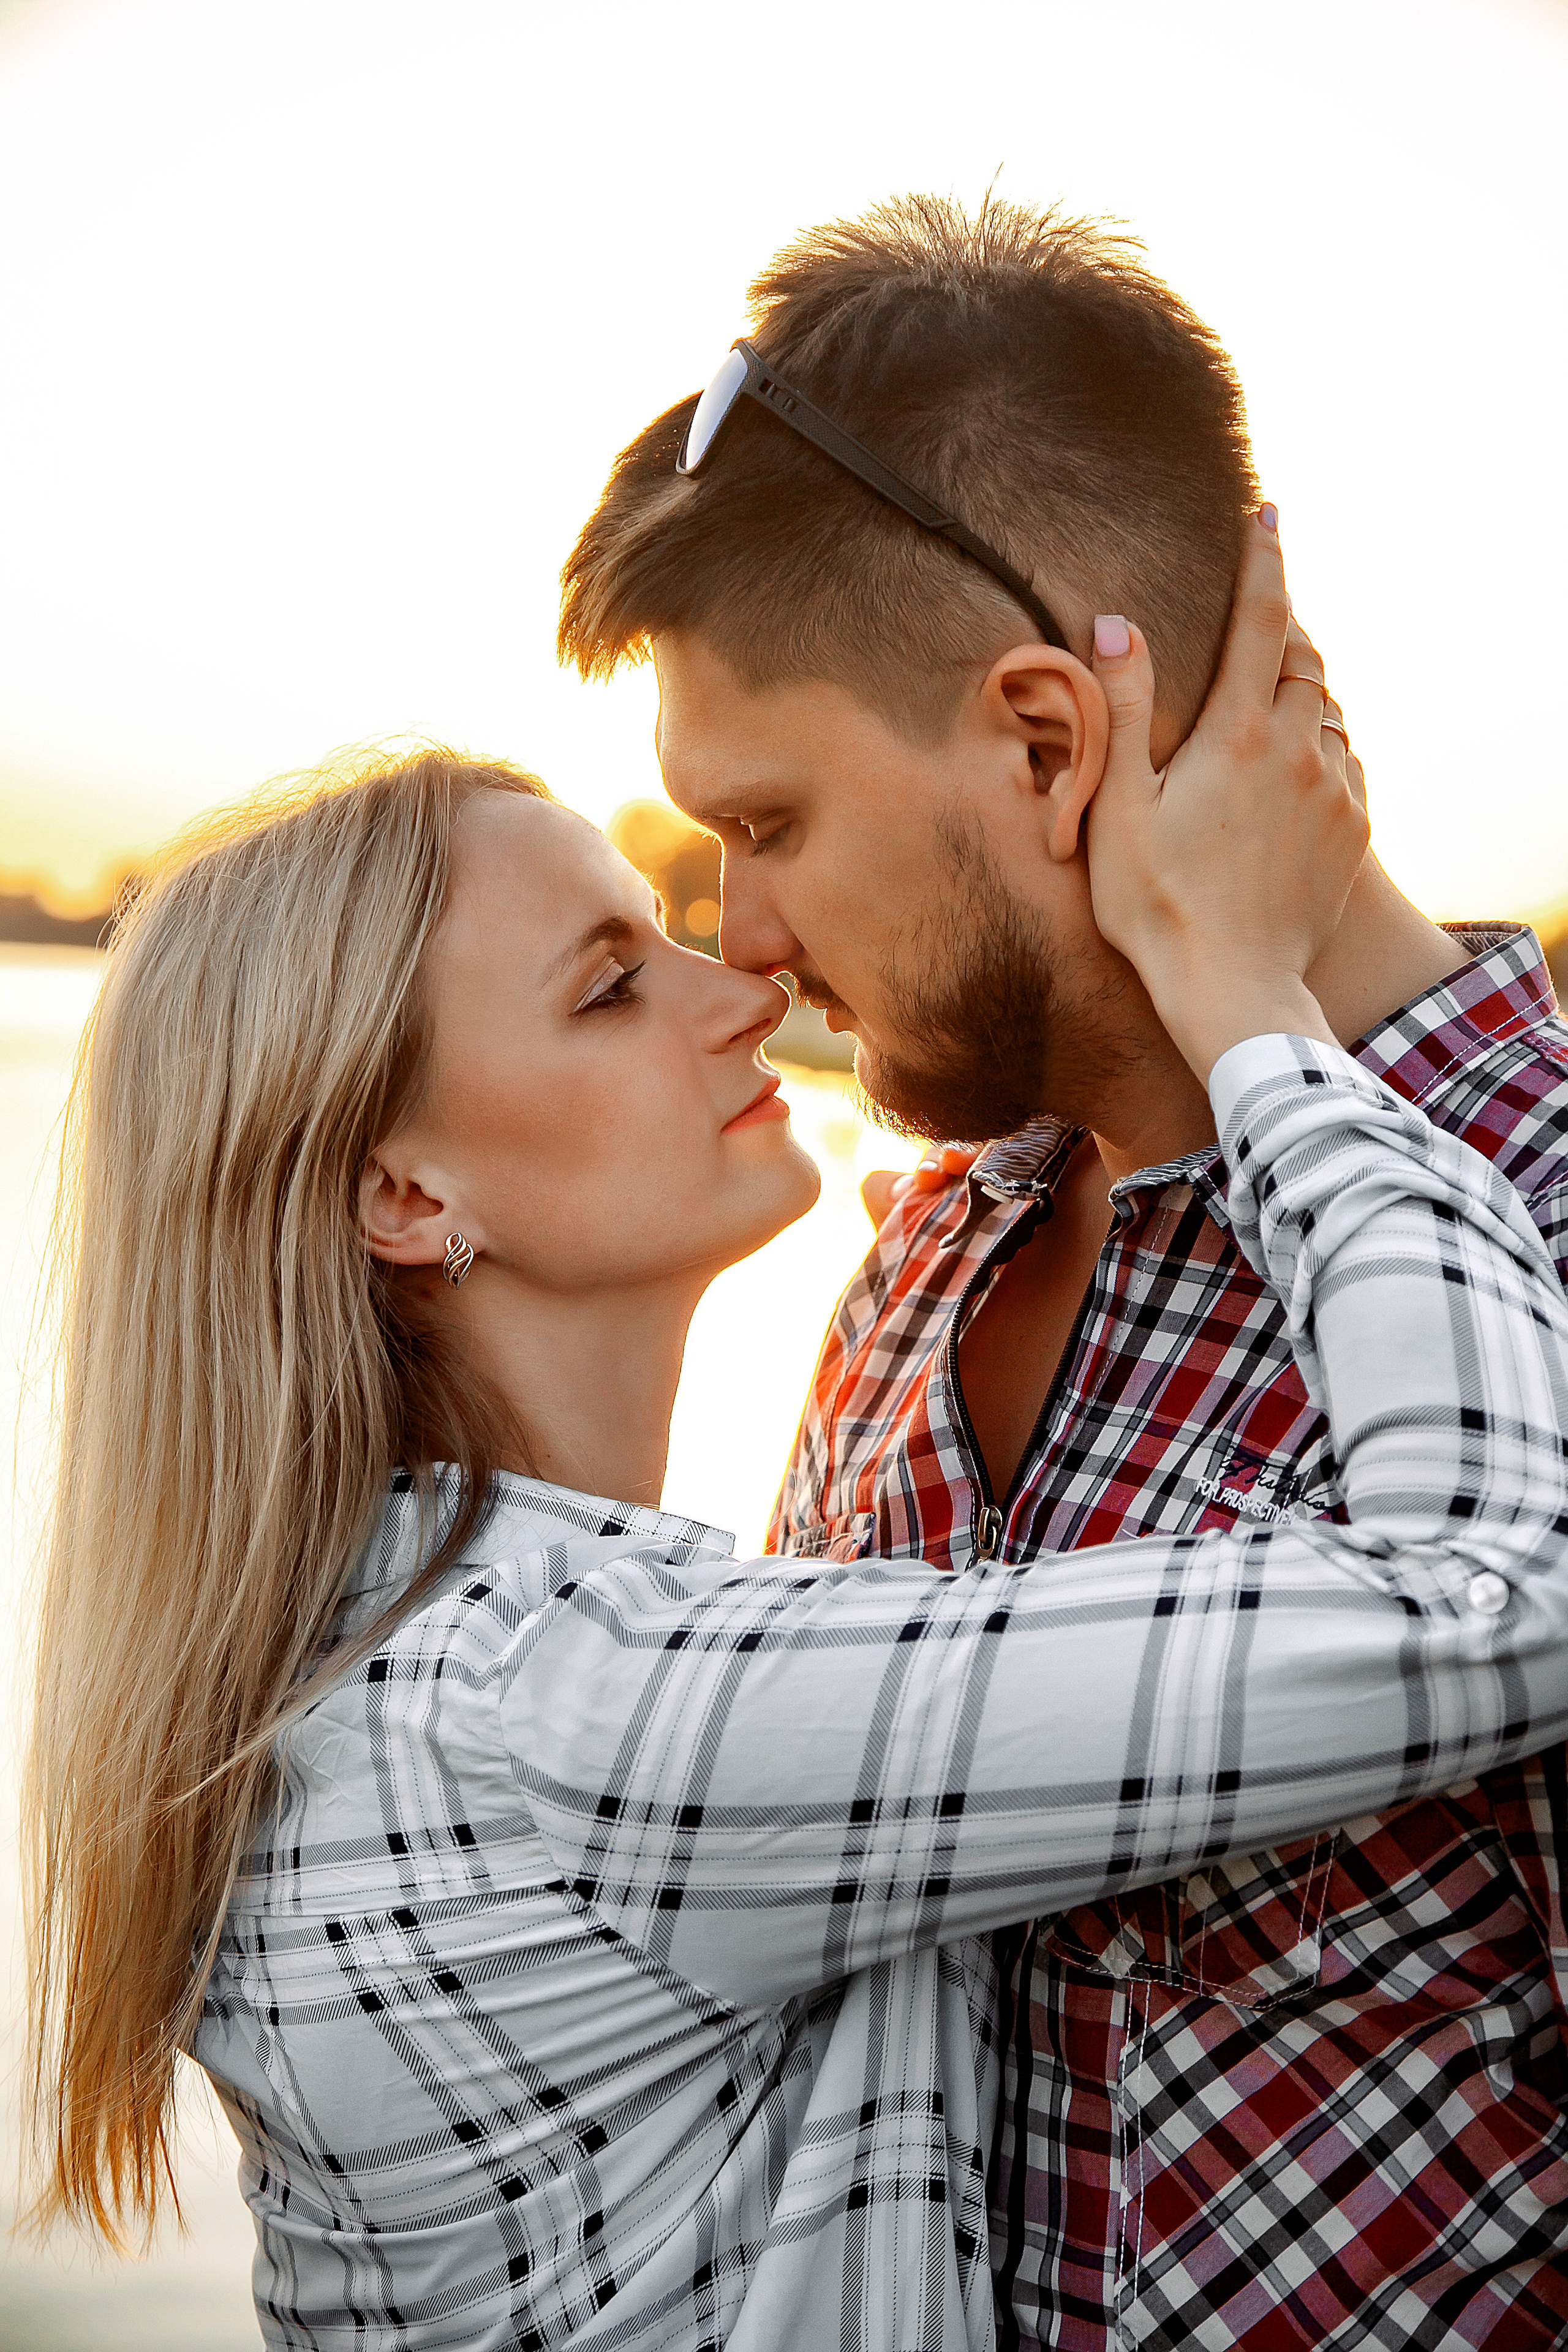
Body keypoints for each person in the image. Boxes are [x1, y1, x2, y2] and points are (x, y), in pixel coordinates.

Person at [558, 197, 1568, 2346]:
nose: (734, 937)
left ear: (1043, 741)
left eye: (762, 826)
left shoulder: (1541, 1239)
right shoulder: (929, 1255)